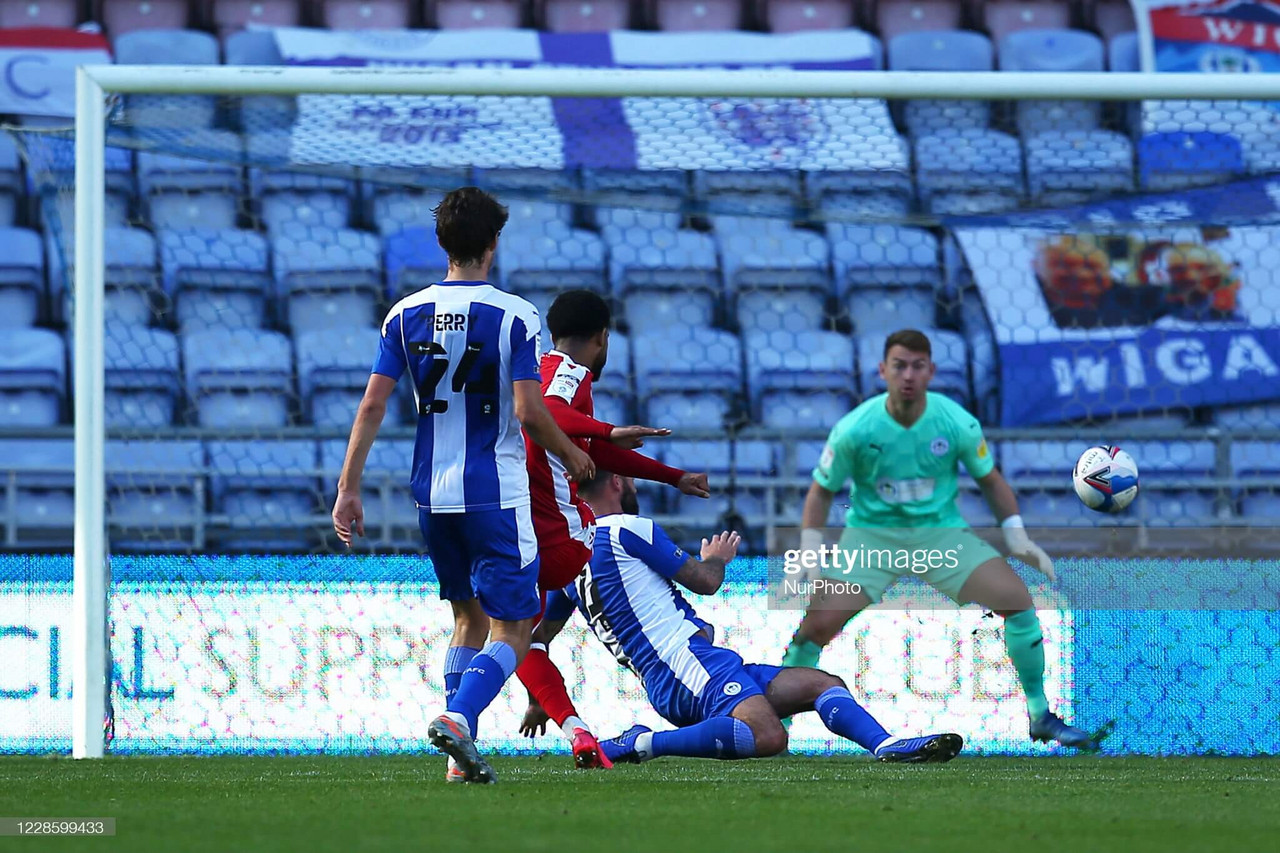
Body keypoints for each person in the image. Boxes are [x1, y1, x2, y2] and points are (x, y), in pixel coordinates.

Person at [330, 187, 593, 784]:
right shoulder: (515, 315)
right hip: (495, 492)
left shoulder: (404, 314)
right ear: (493, 243)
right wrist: (572, 452)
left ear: (442, 242)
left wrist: (348, 487)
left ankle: (457, 763)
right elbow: (528, 412)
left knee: (467, 619)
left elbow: (373, 404)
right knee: (516, 626)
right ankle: (459, 717)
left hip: (432, 492)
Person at [779, 328, 1097, 749]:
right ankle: (775, 731)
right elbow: (820, 491)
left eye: (917, 366)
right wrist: (808, 552)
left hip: (940, 539)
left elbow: (991, 480)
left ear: (931, 371)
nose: (908, 375)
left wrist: (1017, 538)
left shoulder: (955, 422)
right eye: (899, 366)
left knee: (1017, 599)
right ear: (882, 371)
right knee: (814, 629)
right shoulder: (855, 429)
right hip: (872, 542)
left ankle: (1040, 715)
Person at [523, 470, 964, 765]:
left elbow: (540, 637)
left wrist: (537, 697)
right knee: (769, 737)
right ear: (618, 482)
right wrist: (715, 558)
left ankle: (887, 747)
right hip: (685, 664)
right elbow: (704, 581)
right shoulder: (625, 528)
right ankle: (639, 743)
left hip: (685, 668)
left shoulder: (569, 559)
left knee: (822, 684)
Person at [508, 289, 712, 775]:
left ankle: (557, 717)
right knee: (603, 553)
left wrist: (672, 476)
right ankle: (671, 650)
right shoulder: (569, 374)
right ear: (602, 337)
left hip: (507, 520)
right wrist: (608, 430)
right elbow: (550, 418)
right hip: (555, 528)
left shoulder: (536, 368)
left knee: (512, 638)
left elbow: (574, 437)